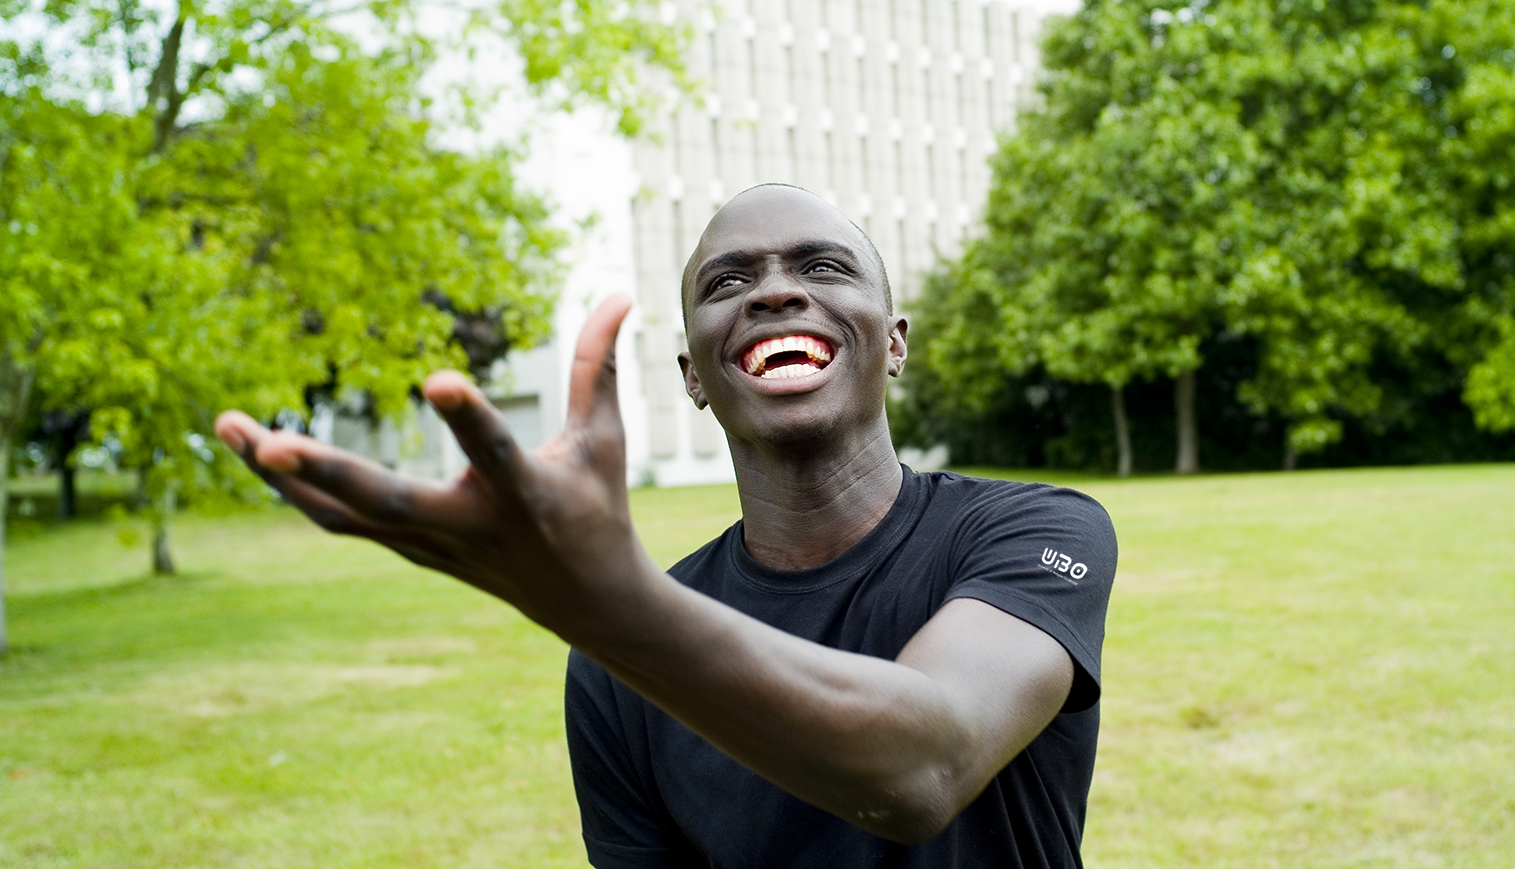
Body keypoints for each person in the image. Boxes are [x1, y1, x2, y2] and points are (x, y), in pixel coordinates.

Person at [213, 184, 1117, 867]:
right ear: (693, 373)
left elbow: (925, 765)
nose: (773, 292)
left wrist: (610, 607)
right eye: (729, 281)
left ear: (894, 340)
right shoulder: (613, 670)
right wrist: (610, 626)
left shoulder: (1033, 529)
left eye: (823, 266)